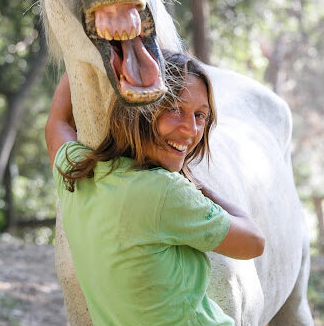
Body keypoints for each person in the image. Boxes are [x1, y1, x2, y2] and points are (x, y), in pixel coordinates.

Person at [46, 51, 265, 326]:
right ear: (139, 110)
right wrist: (197, 186)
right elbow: (254, 242)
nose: (191, 129)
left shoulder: (76, 175)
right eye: (174, 109)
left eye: (200, 115)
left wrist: (84, 49)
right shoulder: (164, 192)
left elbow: (57, 122)